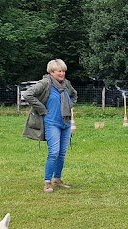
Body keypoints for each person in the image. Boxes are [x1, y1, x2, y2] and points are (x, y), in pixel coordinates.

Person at [22, 59, 77, 193]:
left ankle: (57, 180)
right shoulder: (45, 83)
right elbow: (28, 94)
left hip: (66, 123)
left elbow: (74, 95)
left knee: (62, 153)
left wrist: (70, 105)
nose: (62, 73)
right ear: (51, 72)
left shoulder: (66, 84)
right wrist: (42, 109)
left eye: (63, 71)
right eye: (59, 71)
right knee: (54, 153)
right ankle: (47, 182)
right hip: (52, 123)